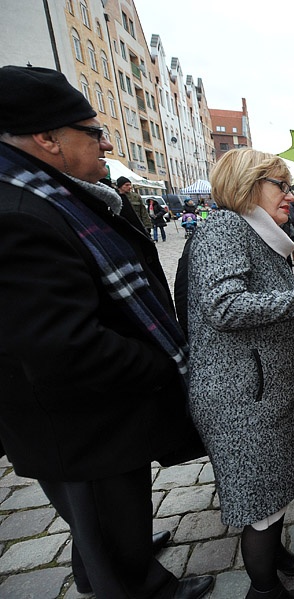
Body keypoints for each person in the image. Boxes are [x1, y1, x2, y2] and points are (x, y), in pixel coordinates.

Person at [0, 65, 213, 599]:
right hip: (79, 420)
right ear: (47, 138)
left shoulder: (51, 193)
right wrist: (158, 366)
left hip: (92, 411)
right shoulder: (20, 211)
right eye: (91, 132)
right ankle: (139, 584)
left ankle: (115, 552)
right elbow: (62, 344)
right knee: (100, 507)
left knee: (106, 515)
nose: (105, 142)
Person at [185, 148, 294, 599]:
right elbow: (226, 307)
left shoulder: (261, 236)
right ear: (248, 185)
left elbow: (267, 310)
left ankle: (274, 556)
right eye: (281, 184)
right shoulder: (225, 229)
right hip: (239, 392)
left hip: (263, 387)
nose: (291, 195)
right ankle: (262, 588)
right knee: (260, 499)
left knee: (273, 487)